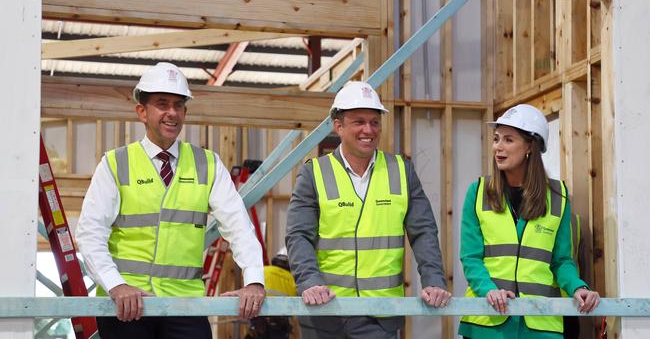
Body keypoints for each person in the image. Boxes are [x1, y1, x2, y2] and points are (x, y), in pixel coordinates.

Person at [75, 62, 266, 338]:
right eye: (162, 104)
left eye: (178, 105)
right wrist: (116, 285)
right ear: (141, 111)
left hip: (184, 305)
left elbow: (239, 227)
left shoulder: (207, 164)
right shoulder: (116, 164)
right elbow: (90, 233)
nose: (172, 113)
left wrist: (255, 281)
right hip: (127, 305)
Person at [286, 81, 451, 339]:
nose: (369, 130)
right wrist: (310, 282)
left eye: (375, 122)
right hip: (325, 311)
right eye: (359, 122)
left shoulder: (401, 170)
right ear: (338, 126)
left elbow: (424, 233)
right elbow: (298, 236)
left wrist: (433, 280)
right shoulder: (313, 173)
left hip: (380, 316)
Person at [458, 104, 600, 339]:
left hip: (540, 325)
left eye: (508, 140)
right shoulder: (478, 192)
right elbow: (470, 257)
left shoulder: (558, 197)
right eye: (496, 139)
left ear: (530, 147)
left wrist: (578, 286)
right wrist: (489, 291)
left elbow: (562, 260)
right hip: (487, 321)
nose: (498, 147)